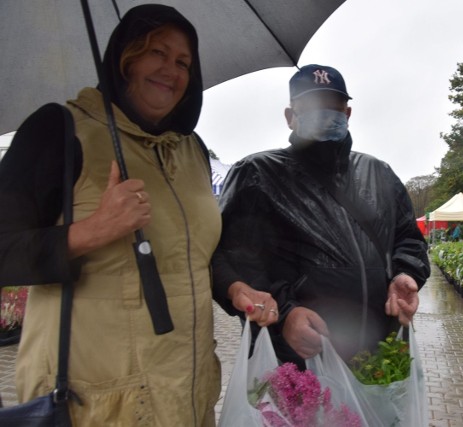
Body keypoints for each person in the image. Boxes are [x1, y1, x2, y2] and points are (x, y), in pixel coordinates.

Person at [0, 5, 277, 426]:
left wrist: (235, 288)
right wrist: (93, 231)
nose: (172, 69)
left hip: (184, 395)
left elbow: (199, 253)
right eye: (156, 52)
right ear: (124, 58)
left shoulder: (192, 150)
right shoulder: (58, 130)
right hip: (95, 403)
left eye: (183, 61)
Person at [212, 64, 430, 368]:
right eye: (312, 106)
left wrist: (407, 274)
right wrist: (285, 314)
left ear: (348, 113)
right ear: (290, 117)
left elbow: (408, 238)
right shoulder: (258, 173)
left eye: (334, 106)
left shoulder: (378, 173)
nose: (325, 114)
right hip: (296, 355)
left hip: (376, 352)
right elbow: (232, 260)